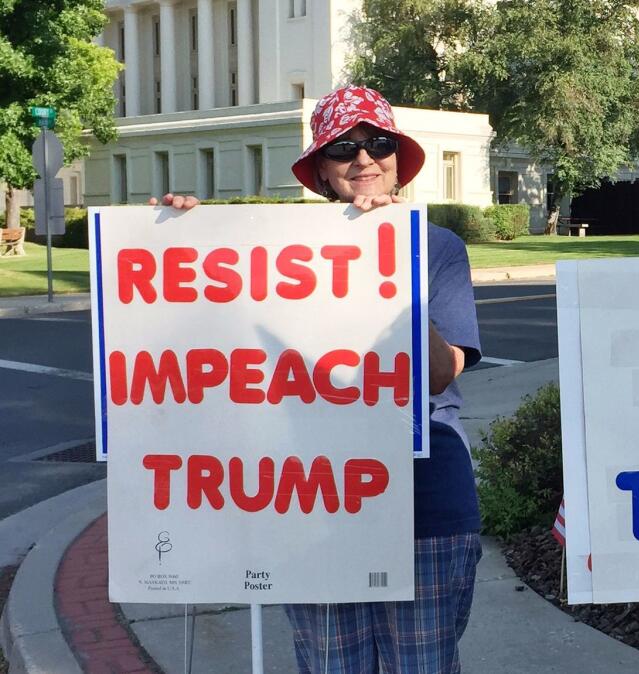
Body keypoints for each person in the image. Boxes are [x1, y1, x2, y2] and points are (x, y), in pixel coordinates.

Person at [153, 86, 483, 674]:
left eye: (378, 143)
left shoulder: (436, 247)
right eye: (342, 149)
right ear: (322, 172)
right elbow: (212, 326)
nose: (363, 159)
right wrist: (177, 236)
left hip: (425, 496)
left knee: (423, 665)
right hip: (309, 496)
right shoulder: (281, 249)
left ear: (398, 158)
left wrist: (394, 260)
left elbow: (438, 375)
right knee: (332, 664)